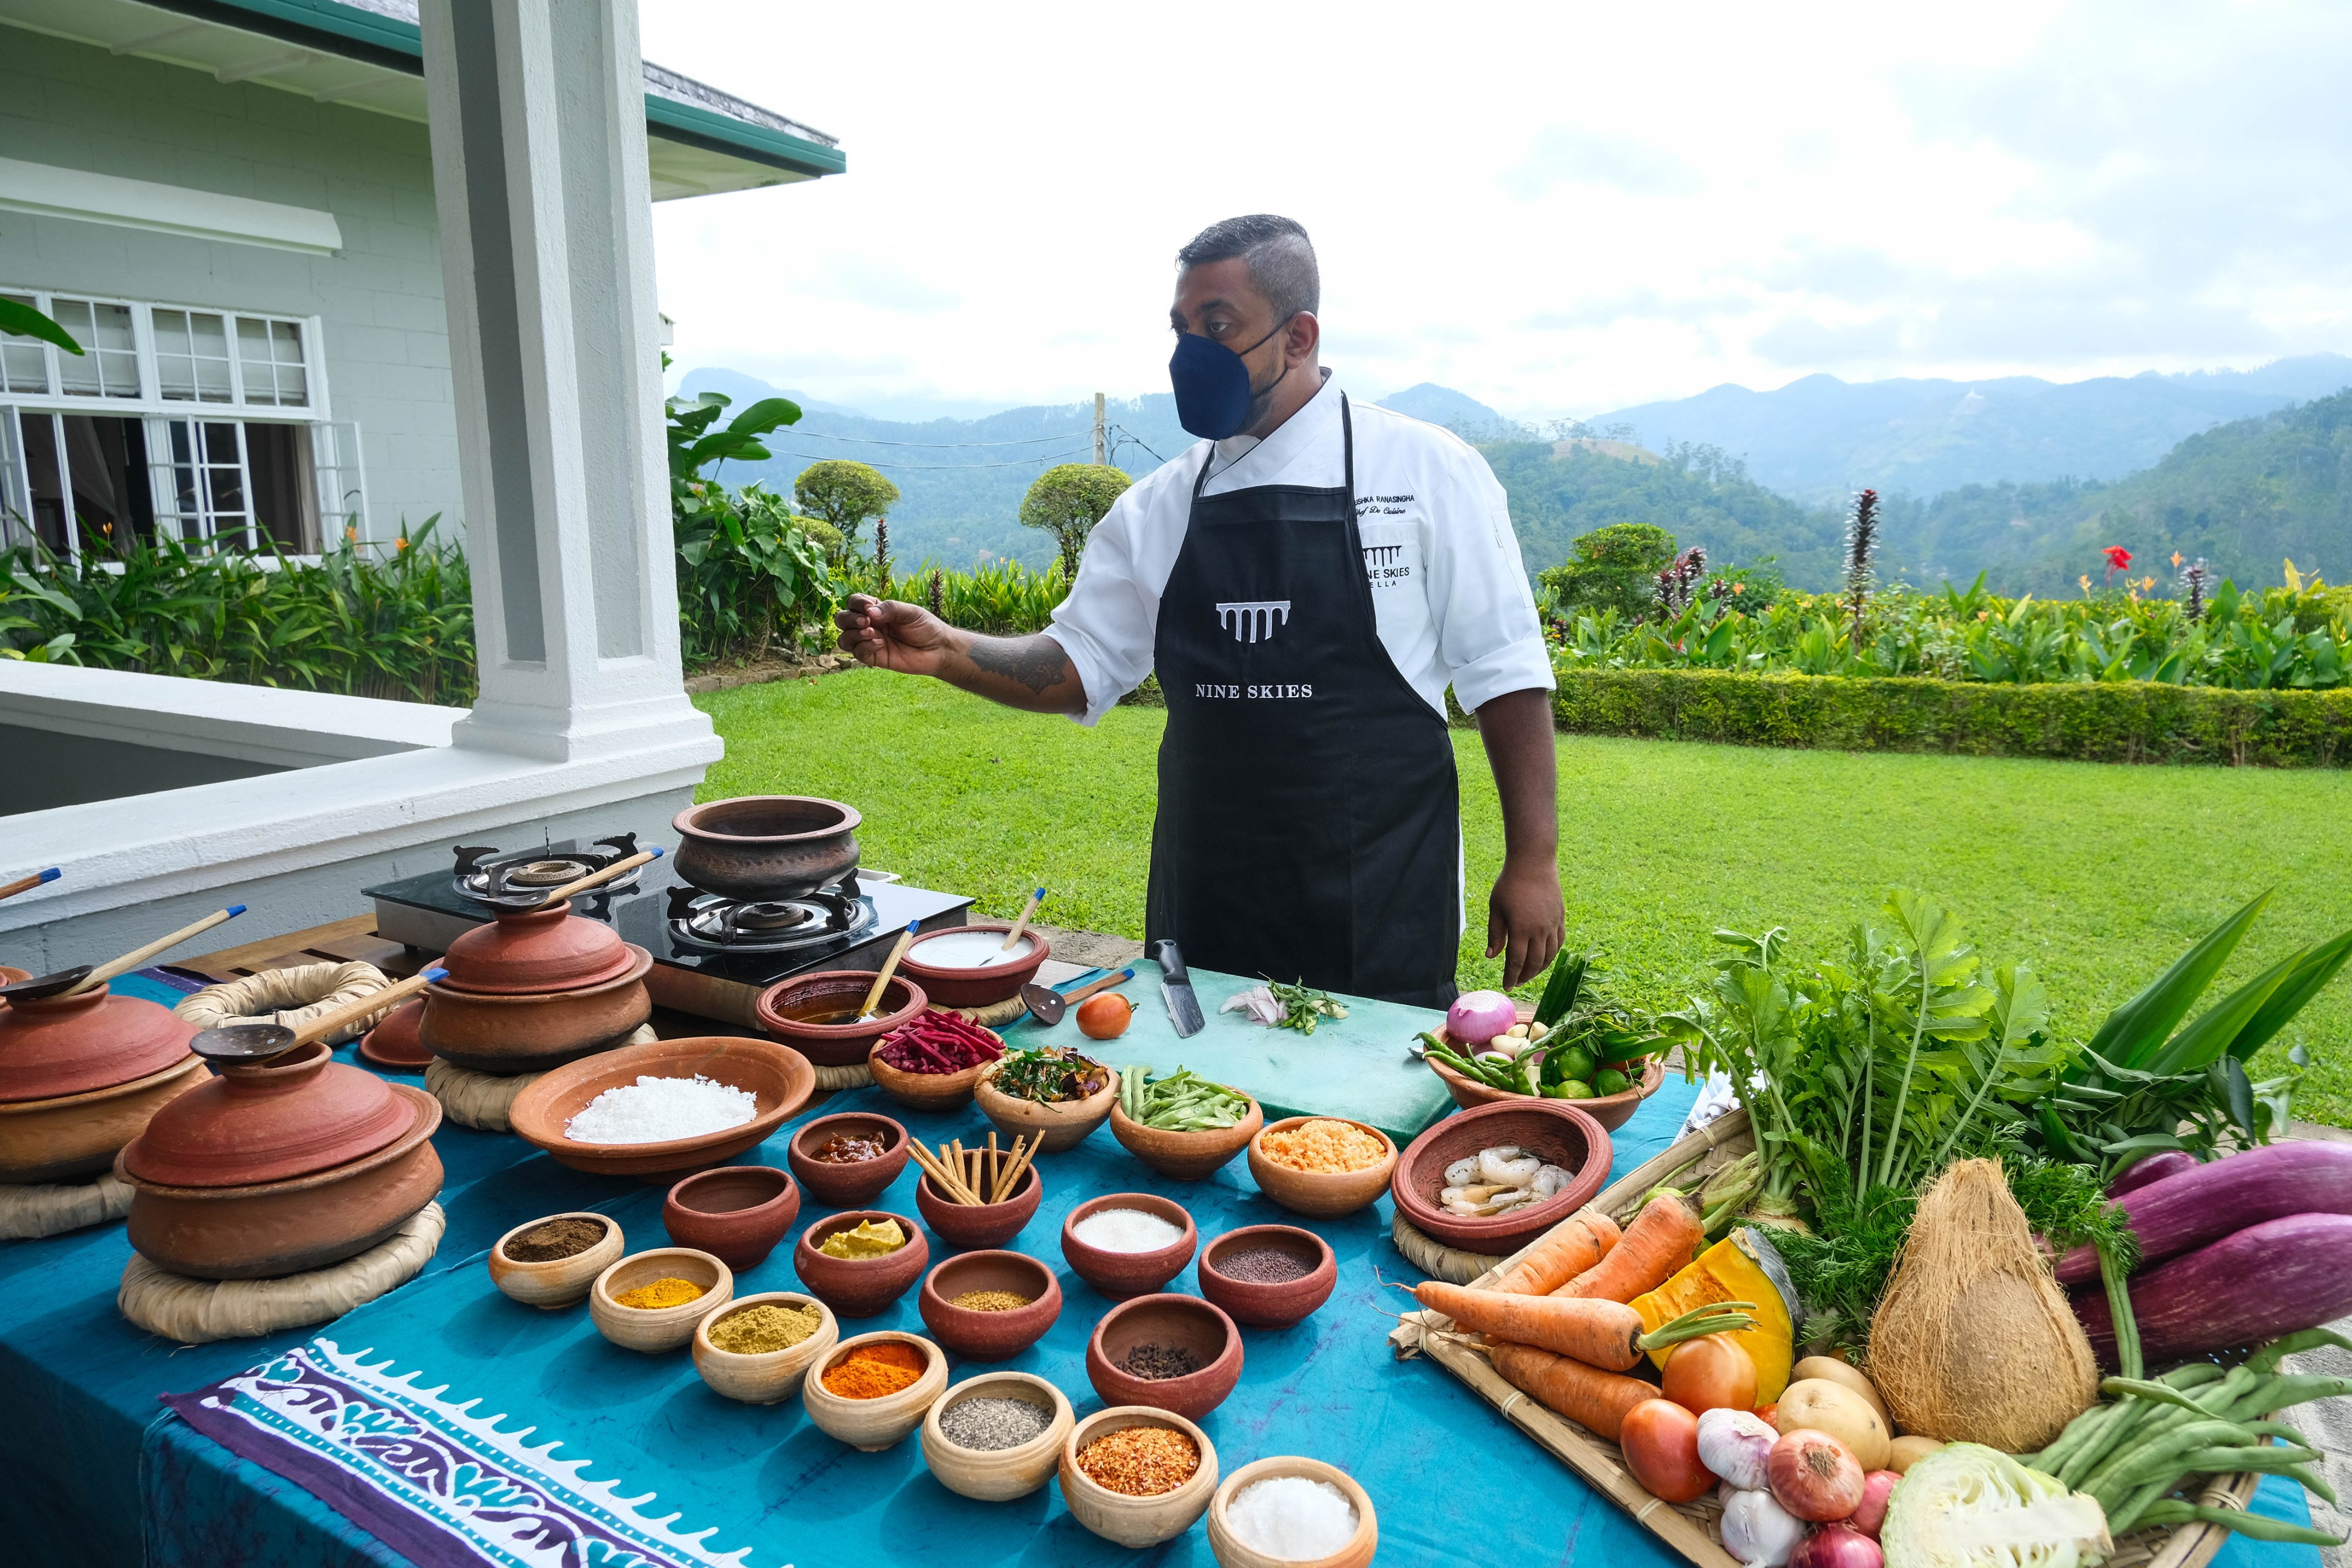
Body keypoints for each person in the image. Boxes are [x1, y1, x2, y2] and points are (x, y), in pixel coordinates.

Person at [835, 214, 1562, 1008]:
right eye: (1182, 329)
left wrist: (1533, 860)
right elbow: (1080, 664)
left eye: (1217, 327)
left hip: (1377, 893)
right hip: (1208, 895)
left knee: (1361, 1128)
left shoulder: (1425, 472)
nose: (1191, 353)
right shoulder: (1161, 504)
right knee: (1199, 1109)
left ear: (1299, 336)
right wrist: (946, 649)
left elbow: (1505, 671)